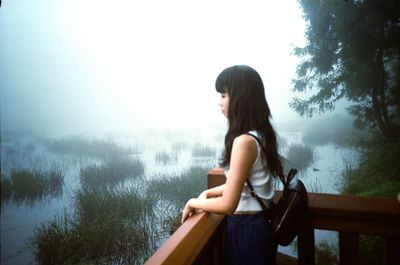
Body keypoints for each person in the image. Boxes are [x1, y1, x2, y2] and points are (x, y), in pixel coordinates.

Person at [181, 65, 283, 265]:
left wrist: (192, 202)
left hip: (248, 229)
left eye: (223, 95)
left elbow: (228, 204)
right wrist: (209, 193)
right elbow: (240, 184)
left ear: (240, 98)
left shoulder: (244, 141)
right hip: (256, 225)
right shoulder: (259, 134)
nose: (219, 102)